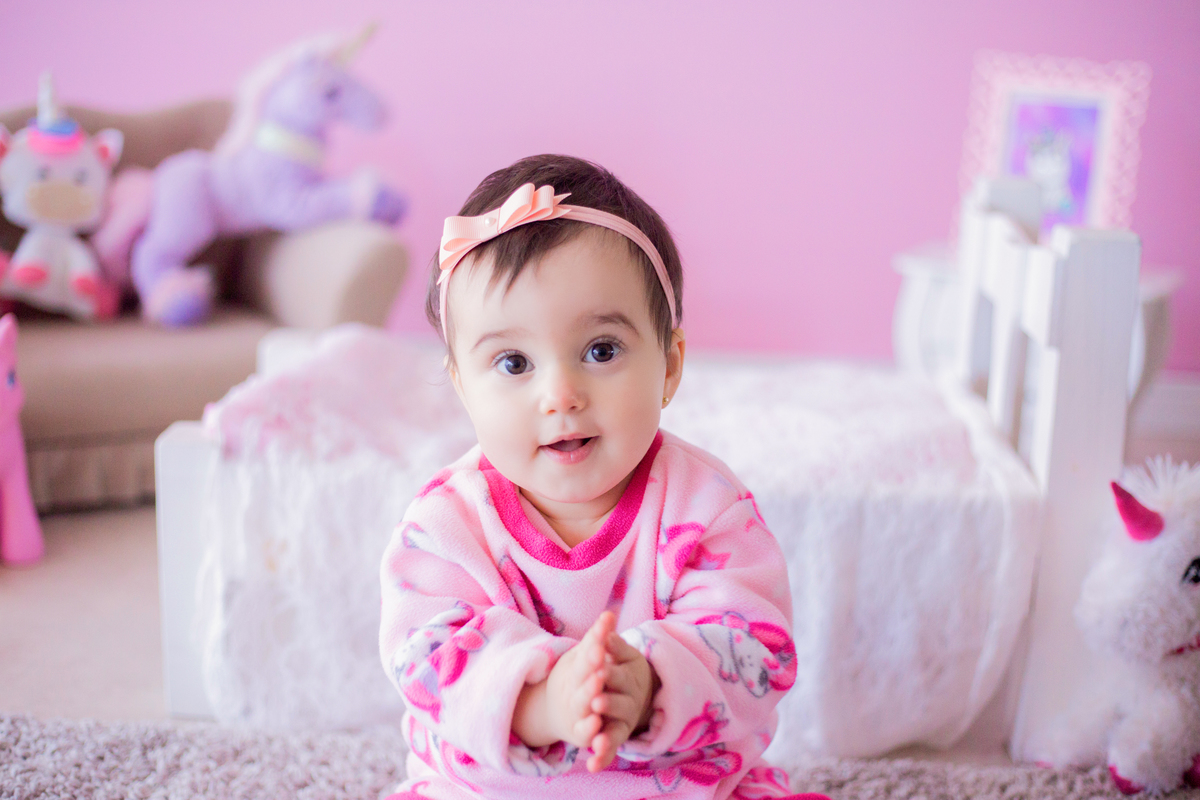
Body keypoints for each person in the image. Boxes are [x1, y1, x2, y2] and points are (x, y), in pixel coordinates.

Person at [379, 154, 827, 800]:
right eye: (513, 363)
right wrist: (545, 699)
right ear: (462, 387)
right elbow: (426, 658)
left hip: (678, 784)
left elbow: (755, 649)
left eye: (601, 350)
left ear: (669, 364)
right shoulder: (446, 525)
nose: (560, 394)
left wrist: (647, 682)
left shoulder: (706, 508)